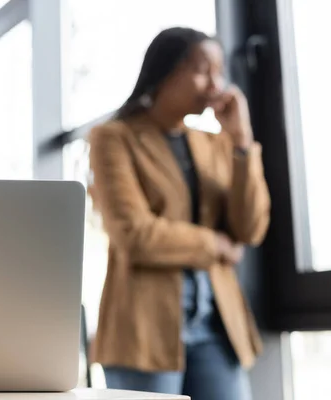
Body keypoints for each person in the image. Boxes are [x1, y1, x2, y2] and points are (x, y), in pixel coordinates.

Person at [88, 27, 270, 400]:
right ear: (166, 71)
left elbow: (250, 229)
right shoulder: (114, 138)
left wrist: (242, 141)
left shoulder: (213, 144)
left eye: (219, 73)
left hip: (218, 325)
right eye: (204, 70)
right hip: (144, 331)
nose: (215, 85)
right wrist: (216, 244)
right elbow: (135, 235)